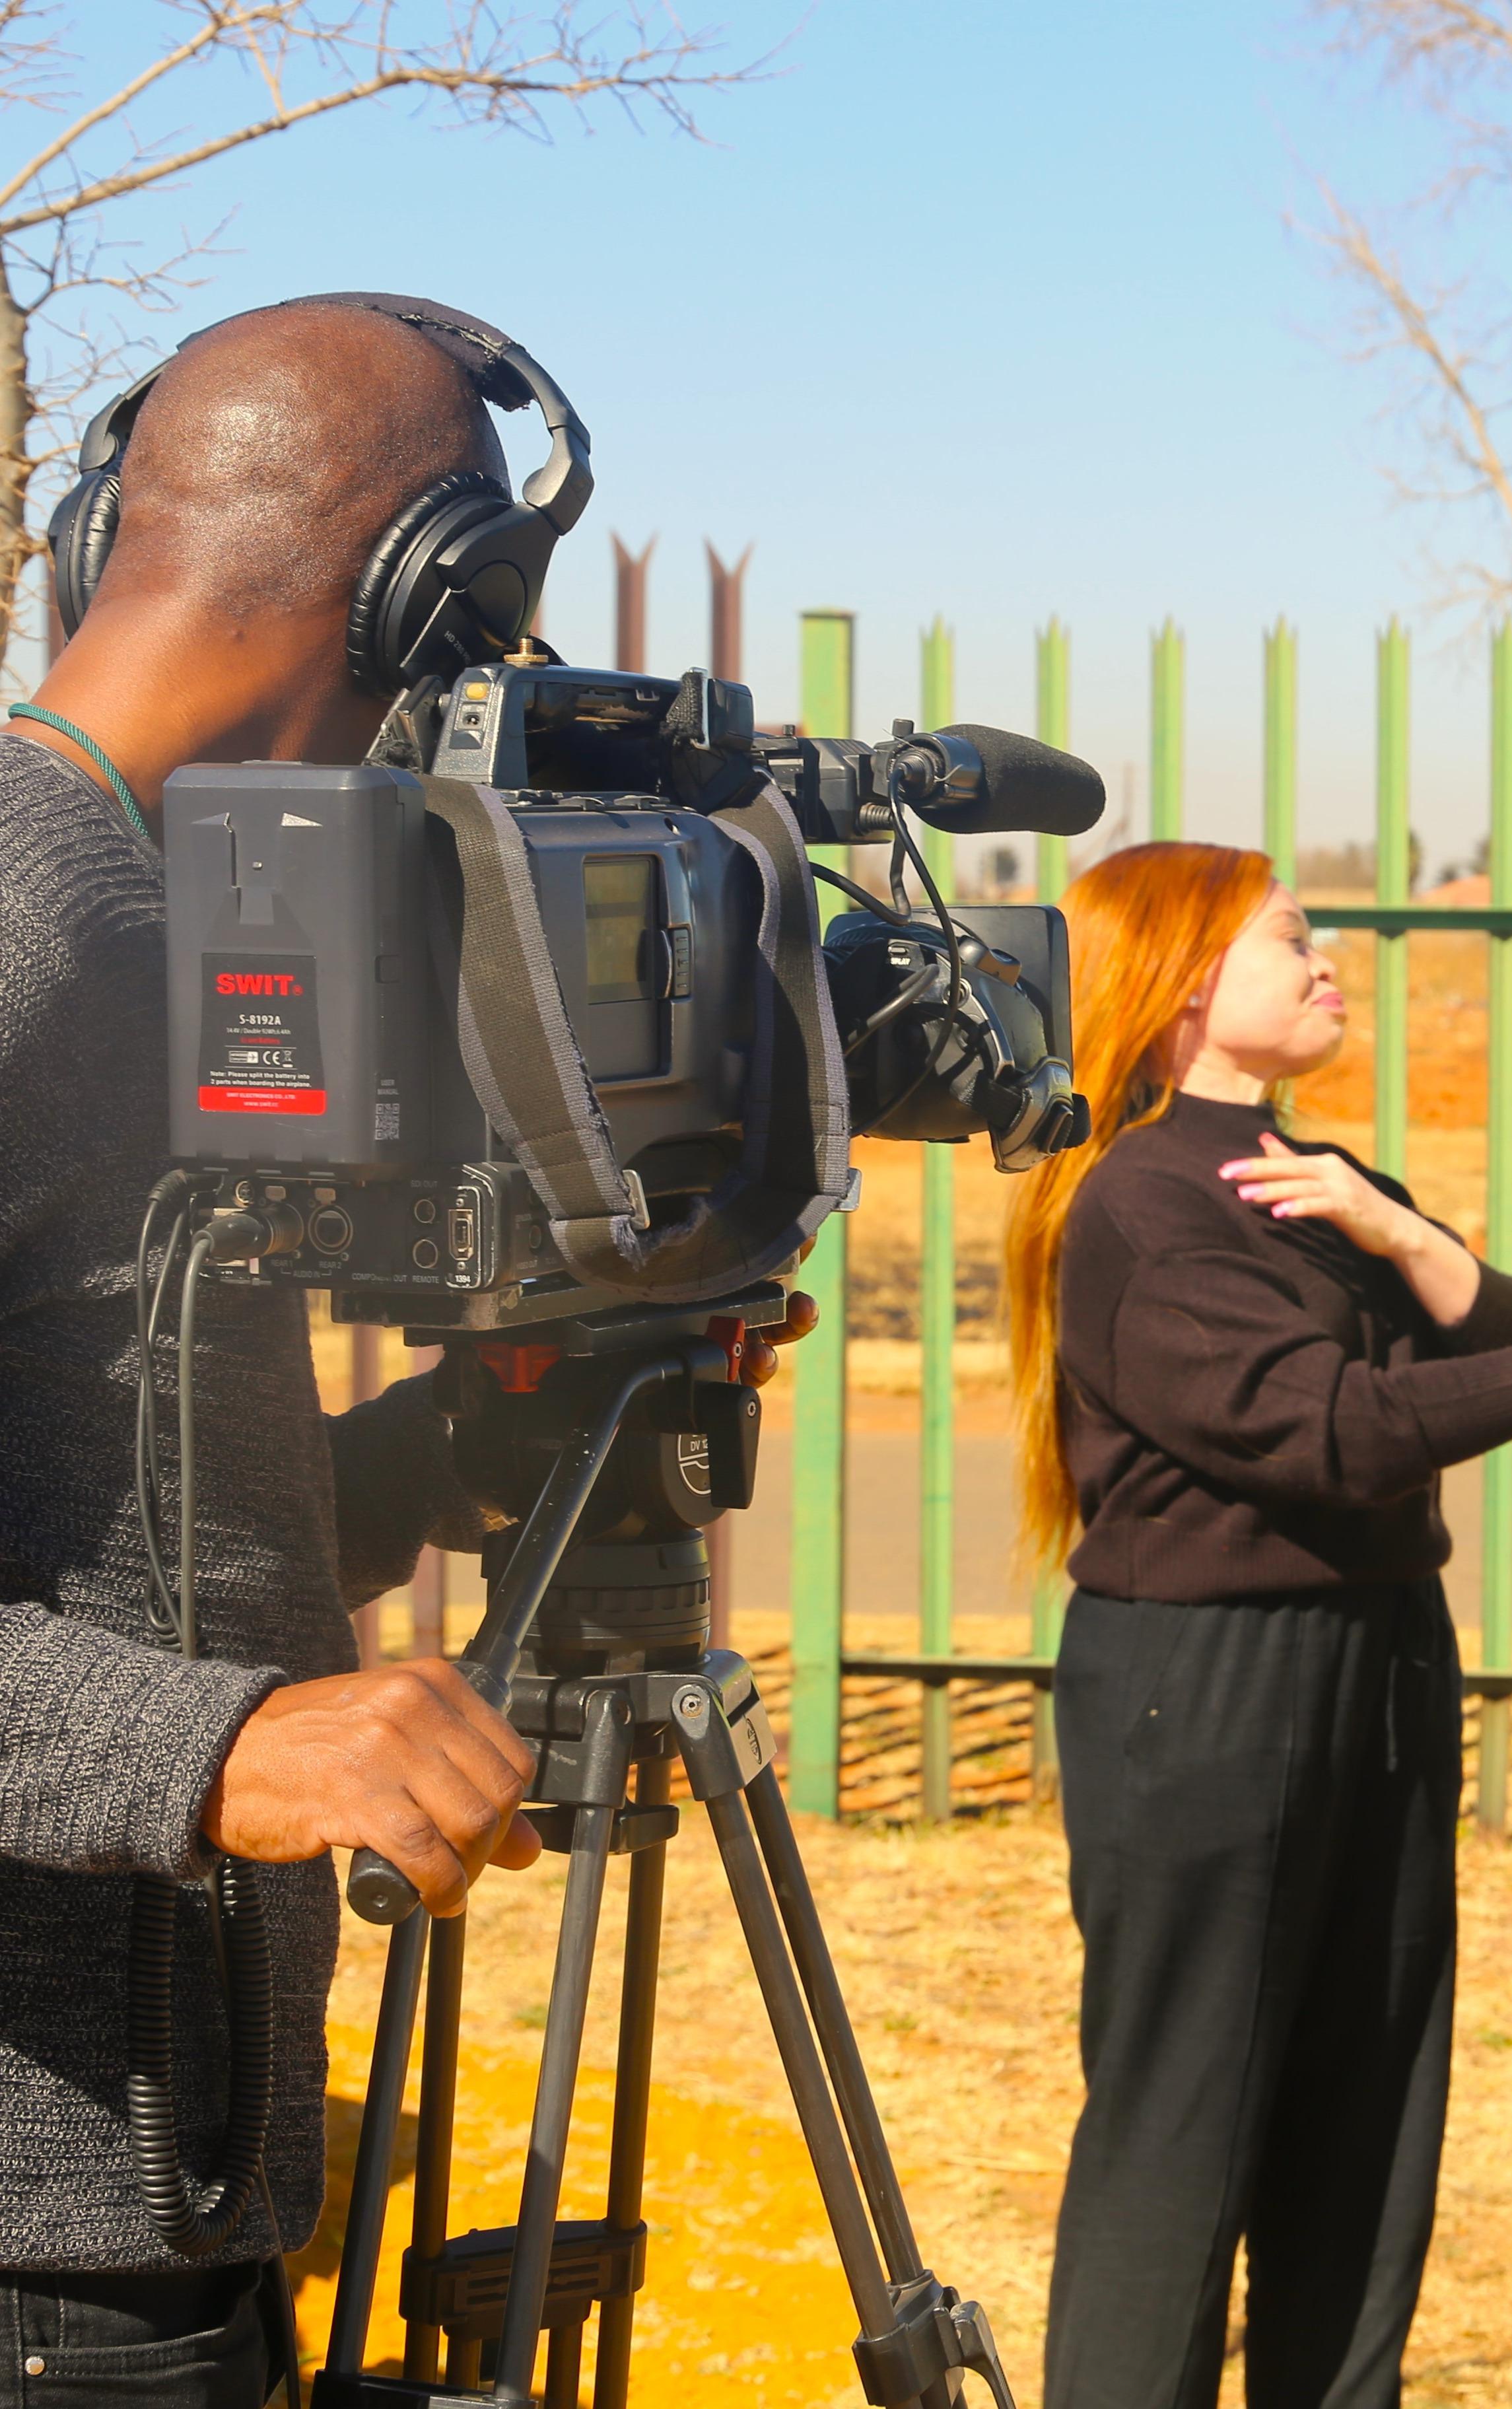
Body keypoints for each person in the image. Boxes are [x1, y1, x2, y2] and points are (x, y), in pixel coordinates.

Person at [0, 300, 561, 2400]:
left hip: (159, 2189)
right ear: (436, 598)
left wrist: (450, 1454)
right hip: (37, 2254)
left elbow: (121, 1524)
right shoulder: (15, 917)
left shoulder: (155, 910)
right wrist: (226, 1752)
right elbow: (192, 1702)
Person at [1003, 841, 1512, 2409]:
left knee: (1369, 2125)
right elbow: (1330, 1431)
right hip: (1207, 1692)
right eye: (1296, 938)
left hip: (1378, 1662)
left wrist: (1400, 1233)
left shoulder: (1317, 1183)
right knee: (1185, 2134)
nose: (1331, 960)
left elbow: (1504, 1339)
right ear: (1193, 980)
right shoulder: (1138, 1203)